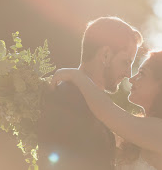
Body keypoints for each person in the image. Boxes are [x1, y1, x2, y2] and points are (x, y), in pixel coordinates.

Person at [51, 50, 162, 170]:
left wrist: (76, 75)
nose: (132, 79)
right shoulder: (145, 131)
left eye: (142, 74)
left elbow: (106, 111)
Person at [37, 16, 143, 170]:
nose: (128, 73)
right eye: (126, 62)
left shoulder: (88, 101)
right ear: (105, 55)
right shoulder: (69, 98)